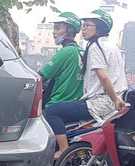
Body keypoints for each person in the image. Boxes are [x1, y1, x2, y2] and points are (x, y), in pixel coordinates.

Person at [42, 9, 127, 156]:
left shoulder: (95, 47)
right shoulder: (112, 47)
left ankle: (63, 150)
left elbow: (103, 76)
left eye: (88, 25)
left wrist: (114, 99)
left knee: (52, 111)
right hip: (111, 99)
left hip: (100, 102)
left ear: (99, 28)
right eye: (83, 25)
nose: (84, 28)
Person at [39, 12, 84, 107]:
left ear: (70, 31)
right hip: (75, 103)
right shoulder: (81, 51)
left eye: (58, 28)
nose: (54, 32)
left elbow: (40, 77)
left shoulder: (67, 51)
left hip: (58, 102)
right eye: (54, 28)